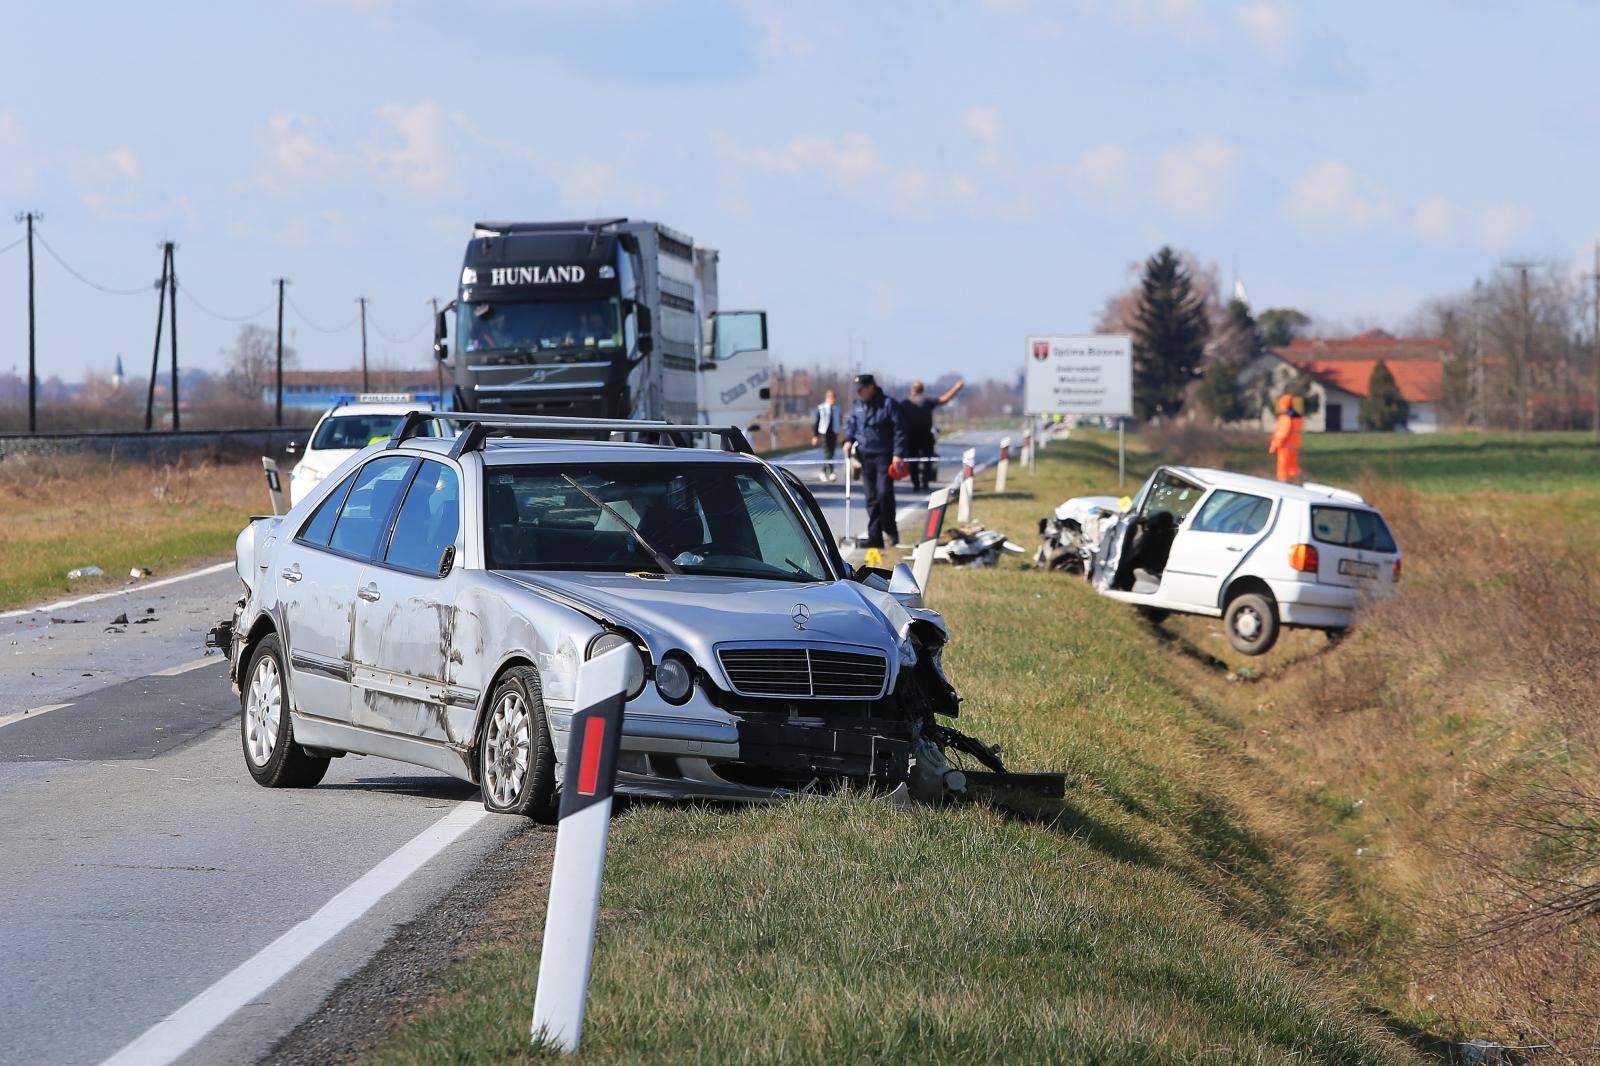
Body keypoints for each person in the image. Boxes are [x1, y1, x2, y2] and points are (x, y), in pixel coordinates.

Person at [842, 373, 907, 549]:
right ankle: (875, 537)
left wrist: (898, 454)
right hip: (865, 456)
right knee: (871, 498)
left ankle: (891, 531)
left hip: (884, 456)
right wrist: (847, 441)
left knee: (884, 493)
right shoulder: (858, 406)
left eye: (861, 390)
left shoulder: (888, 404)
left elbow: (900, 431)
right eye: (857, 390)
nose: (859, 393)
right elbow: (852, 427)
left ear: (871, 387)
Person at [898, 378, 965, 492]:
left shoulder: (905, 403)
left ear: (912, 390)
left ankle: (916, 484)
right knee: (927, 459)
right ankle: (925, 483)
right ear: (922, 390)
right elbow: (944, 399)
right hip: (925, 435)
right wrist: (956, 388)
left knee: (913, 461)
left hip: (912, 436)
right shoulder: (927, 401)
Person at [1269, 394, 1304, 483]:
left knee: (1283, 467)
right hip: (1294, 446)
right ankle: (1302, 480)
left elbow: (1282, 433)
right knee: (1293, 466)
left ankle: (1282, 485)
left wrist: (1274, 446)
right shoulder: (1297, 417)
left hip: (1285, 447)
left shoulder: (1285, 418)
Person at [811, 389, 842, 482]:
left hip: (833, 433)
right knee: (827, 453)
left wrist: (839, 430)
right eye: (831, 399)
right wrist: (815, 436)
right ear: (827, 399)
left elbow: (839, 421)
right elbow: (817, 422)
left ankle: (824, 472)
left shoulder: (837, 409)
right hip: (824, 433)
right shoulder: (822, 408)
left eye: (834, 399)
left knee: (831, 453)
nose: (833, 401)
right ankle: (831, 472)